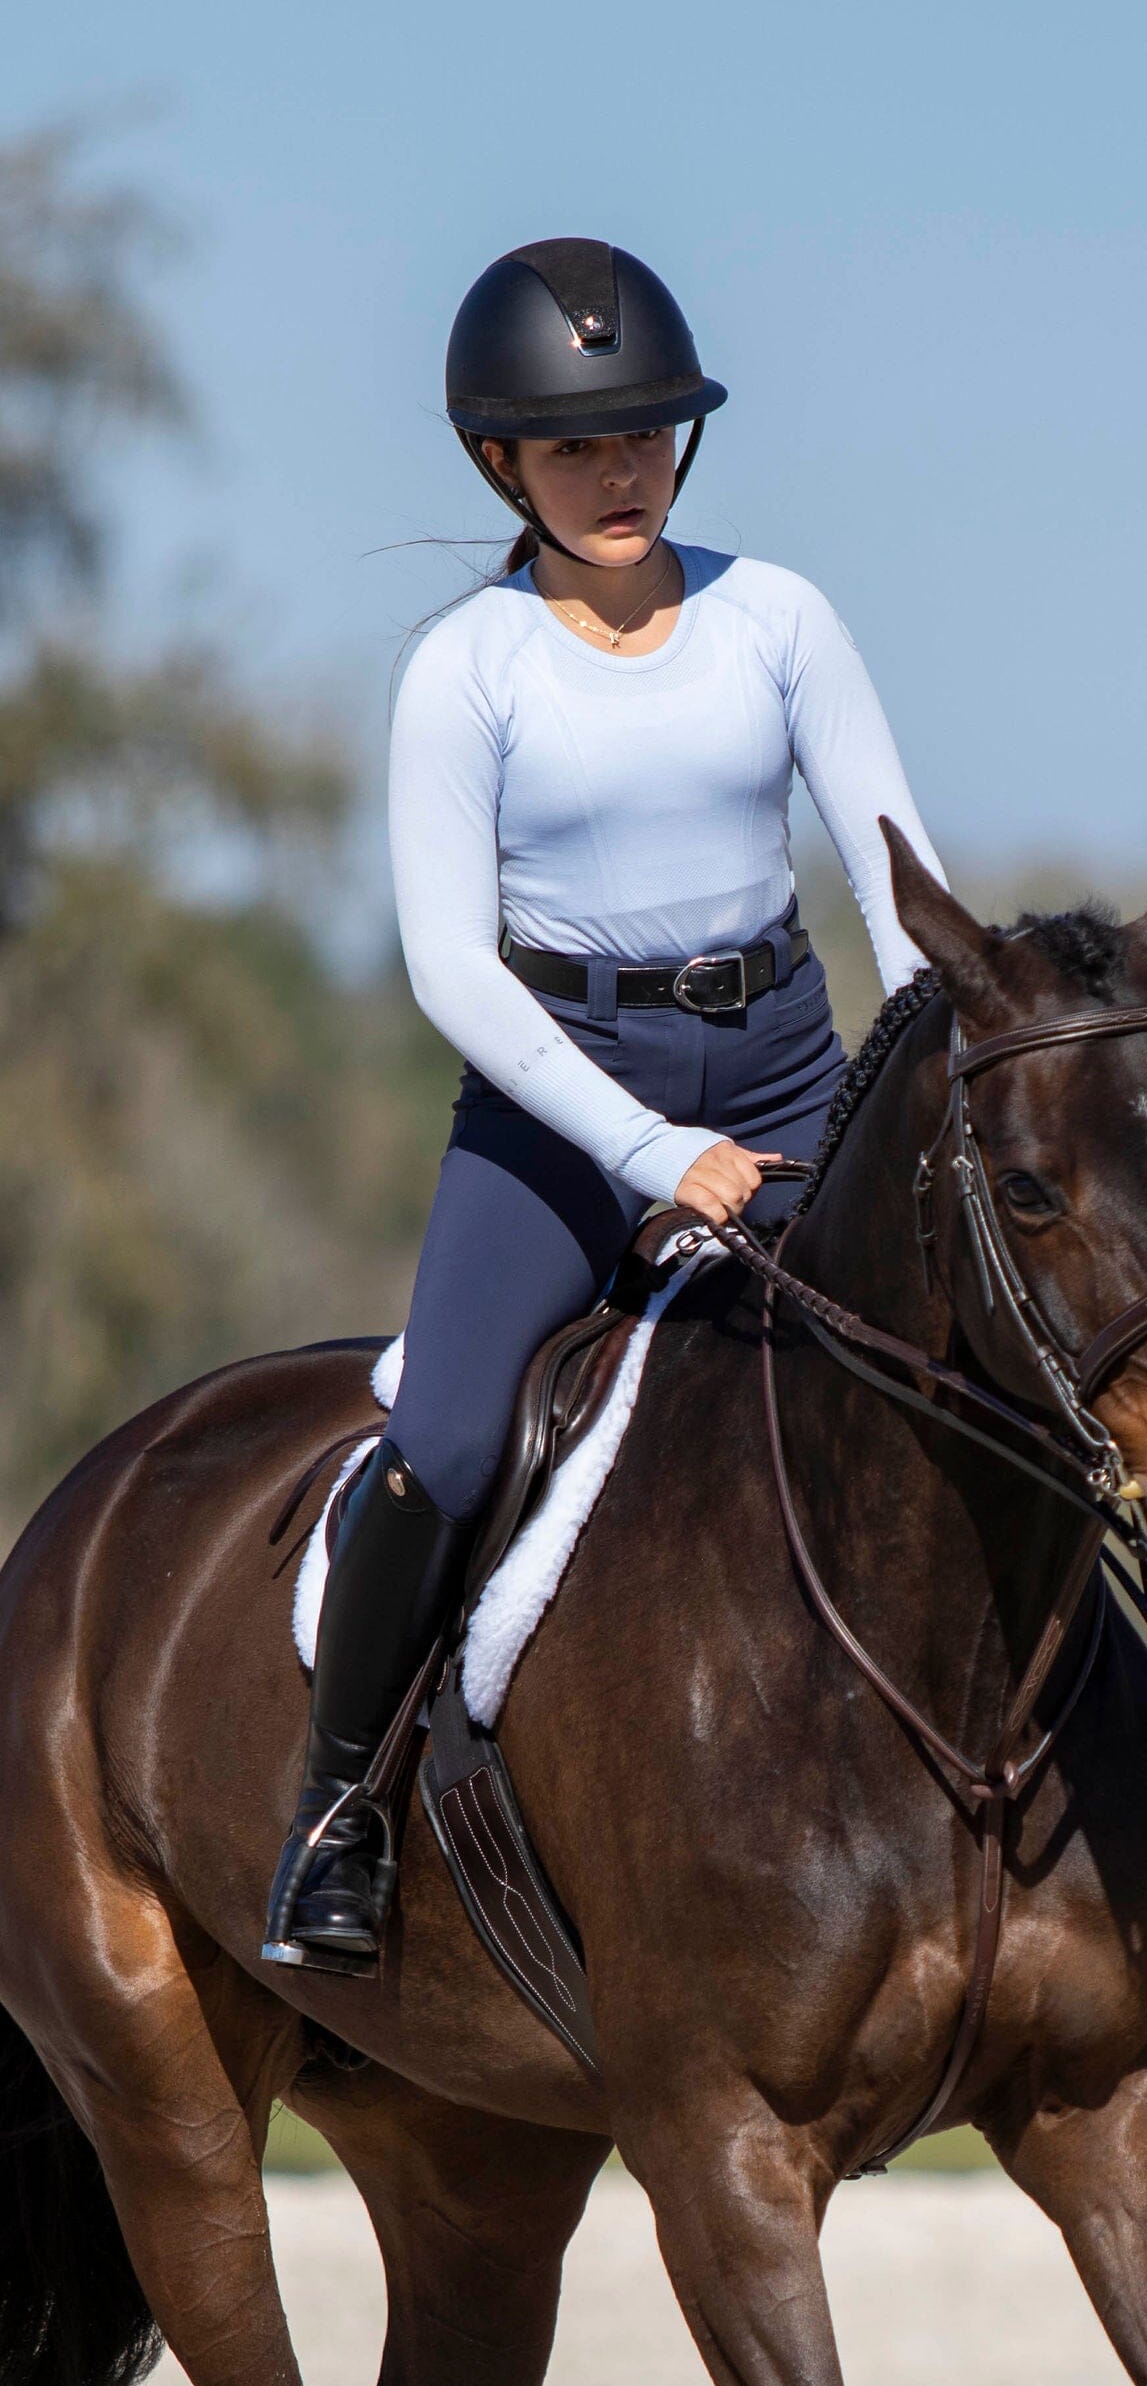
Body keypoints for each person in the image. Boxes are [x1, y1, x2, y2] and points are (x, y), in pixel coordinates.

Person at [264, 235, 945, 1972]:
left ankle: (1089, 1743)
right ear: (505, 462)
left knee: (965, 1365)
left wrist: (933, 1054)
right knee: (453, 1440)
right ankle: (339, 1813)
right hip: (558, 1101)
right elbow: (452, 972)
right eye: (578, 446)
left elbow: (895, 873)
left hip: (790, 1063)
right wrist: (653, 1155)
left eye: (646, 434)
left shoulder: (778, 617)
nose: (620, 470)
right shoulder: (467, 671)